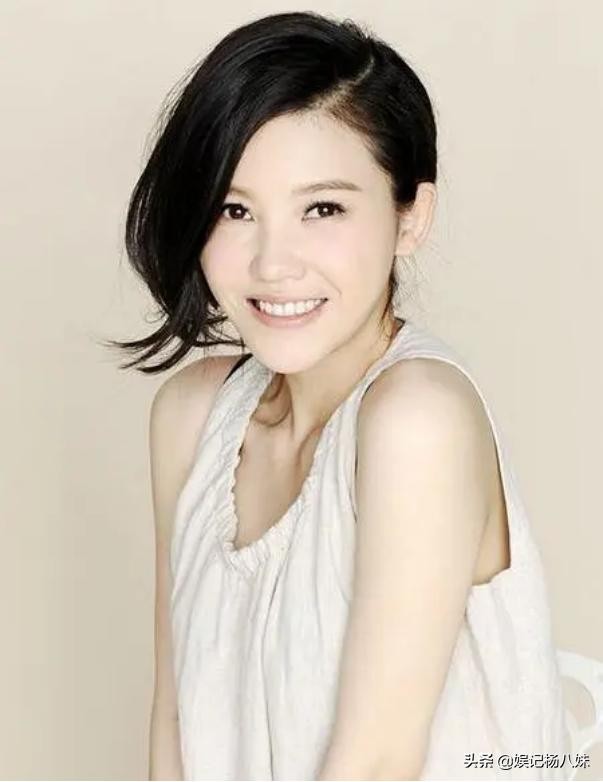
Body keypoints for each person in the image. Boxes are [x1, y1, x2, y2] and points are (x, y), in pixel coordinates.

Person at [108, 11, 570, 780]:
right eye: (234, 210)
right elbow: (176, 719)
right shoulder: (190, 417)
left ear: (409, 217)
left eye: (322, 208)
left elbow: (378, 762)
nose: (272, 263)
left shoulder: (416, 419)